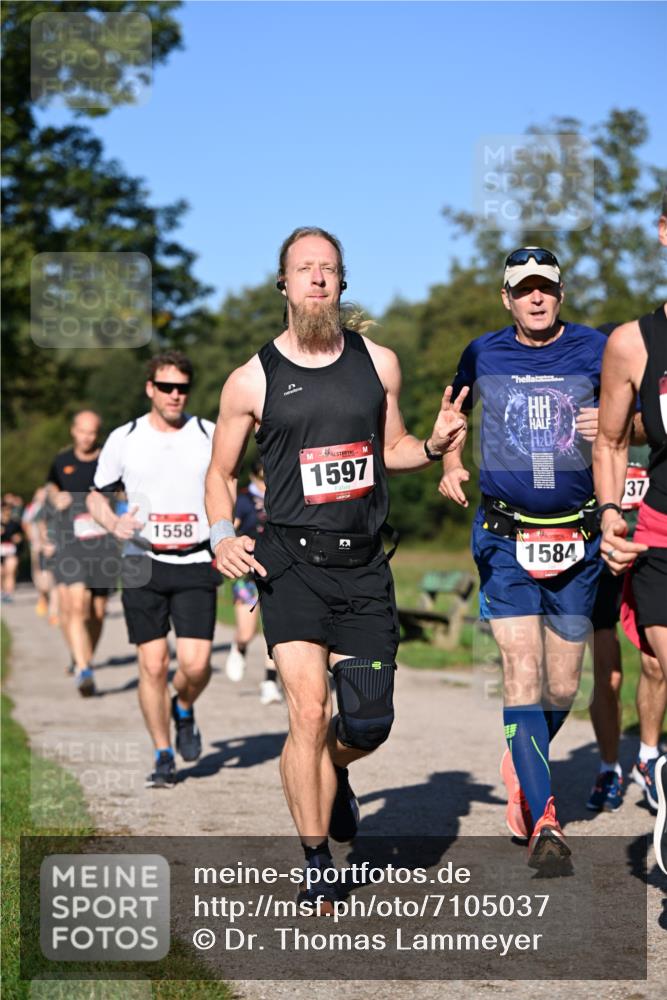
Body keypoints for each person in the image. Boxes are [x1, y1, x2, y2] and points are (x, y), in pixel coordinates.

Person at [205, 226, 467, 908]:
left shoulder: (377, 363)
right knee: (306, 710)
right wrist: (218, 535)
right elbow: (219, 470)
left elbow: (395, 449)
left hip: (363, 567)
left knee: (366, 724)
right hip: (288, 563)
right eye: (303, 268)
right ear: (284, 286)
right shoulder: (251, 378)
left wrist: (434, 445)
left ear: (341, 283)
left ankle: (331, 772)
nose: (316, 278)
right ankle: (317, 857)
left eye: (328, 269)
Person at [441, 246, 607, 871]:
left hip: (577, 537)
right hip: (505, 537)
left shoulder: (598, 348)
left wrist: (615, 423)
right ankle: (546, 820)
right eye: (524, 289)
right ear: (505, 297)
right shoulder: (483, 351)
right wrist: (453, 462)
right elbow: (450, 413)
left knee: (563, 685)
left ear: (560, 293)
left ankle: (522, 756)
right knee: (522, 672)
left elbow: (643, 419)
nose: (536, 298)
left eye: (546, 288)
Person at [87, 351, 221, 789]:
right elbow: (96, 495)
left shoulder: (207, 433)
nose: (175, 395)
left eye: (182, 387)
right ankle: (163, 753)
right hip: (142, 560)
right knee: (152, 664)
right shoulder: (125, 437)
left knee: (197, 665)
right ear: (150, 389)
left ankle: (183, 706)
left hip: (197, 558)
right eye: (166, 387)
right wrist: (113, 522)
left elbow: (230, 481)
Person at [593, 190, 667, 874]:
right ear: (663, 233)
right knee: (656, 662)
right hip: (660, 534)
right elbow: (612, 442)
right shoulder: (633, 343)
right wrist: (611, 513)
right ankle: (650, 755)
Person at [46, 410, 119, 694]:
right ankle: (84, 667)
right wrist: (56, 496)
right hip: (70, 542)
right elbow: (51, 485)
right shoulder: (62, 461)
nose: (87, 437)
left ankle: (82, 657)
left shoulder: (108, 461)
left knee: (97, 611)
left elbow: (122, 493)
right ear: (73, 431)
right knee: (77, 604)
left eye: (92, 432)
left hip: (102, 545)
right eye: (82, 431)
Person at [225, 459, 283, 706]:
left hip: (278, 574)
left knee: (277, 631)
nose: (266, 484)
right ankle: (239, 647)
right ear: (253, 477)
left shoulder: (282, 498)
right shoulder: (244, 500)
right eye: (262, 479)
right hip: (247, 576)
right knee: (247, 631)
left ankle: (270, 682)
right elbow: (231, 529)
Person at [1, 498, 23, 602]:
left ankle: (8, 593)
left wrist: (18, 538)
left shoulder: (15, 523)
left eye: (9, 509)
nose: (7, 511)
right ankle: (1, 592)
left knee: (10, 571)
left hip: (11, 551)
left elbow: (21, 536)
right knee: (1, 572)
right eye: (4, 509)